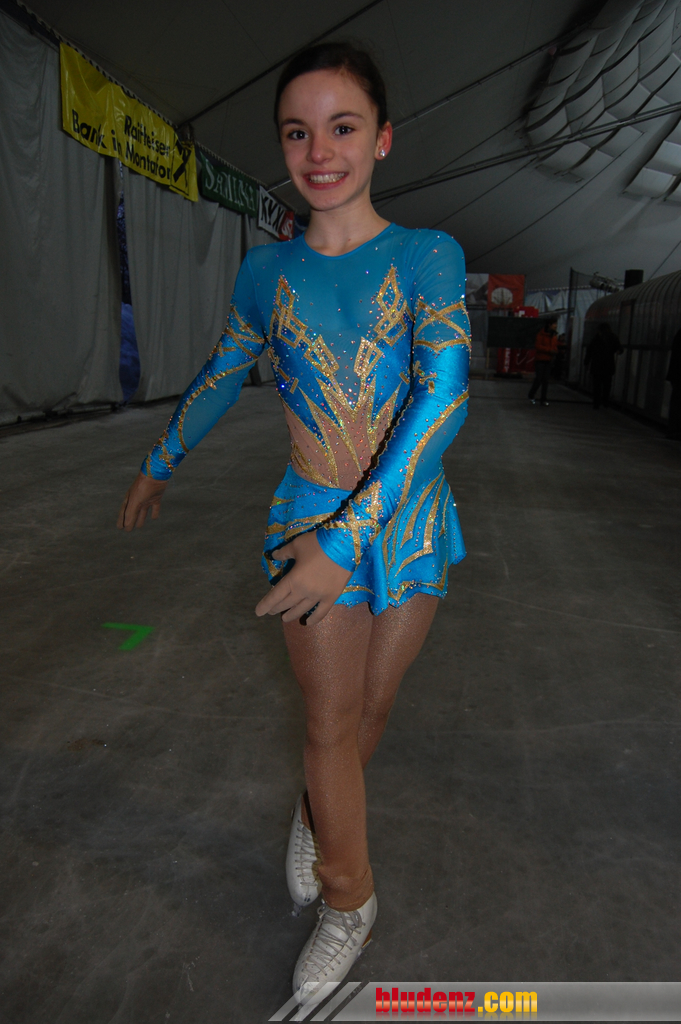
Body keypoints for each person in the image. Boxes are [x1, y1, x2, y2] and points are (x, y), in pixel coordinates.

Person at [116, 42, 470, 1012]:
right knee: (326, 721)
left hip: (408, 520)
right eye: (297, 132)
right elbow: (223, 372)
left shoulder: (427, 255)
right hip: (311, 525)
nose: (320, 152)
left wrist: (354, 540)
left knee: (371, 709)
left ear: (383, 138)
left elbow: (445, 393)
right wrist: (158, 462)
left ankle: (319, 816)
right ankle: (350, 900)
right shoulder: (264, 270)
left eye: (342, 127)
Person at [584, 322, 622, 409]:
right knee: (607, 385)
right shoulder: (613, 337)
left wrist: (586, 362)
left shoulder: (596, 338)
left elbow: (589, 351)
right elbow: (619, 348)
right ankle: (605, 402)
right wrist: (618, 351)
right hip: (608, 365)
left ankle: (596, 403)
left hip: (597, 365)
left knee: (597, 385)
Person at [528, 319, 561, 405]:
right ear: (549, 325)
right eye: (554, 324)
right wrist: (549, 350)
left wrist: (555, 351)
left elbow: (555, 346)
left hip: (549, 360)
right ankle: (532, 394)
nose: (556, 326)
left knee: (545, 380)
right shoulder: (541, 334)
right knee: (539, 379)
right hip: (540, 360)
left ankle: (543, 399)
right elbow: (538, 346)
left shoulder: (554, 336)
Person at [665, 327, 681, 439]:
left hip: (676, 375)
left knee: (676, 402)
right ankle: (675, 430)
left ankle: (674, 430)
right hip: (678, 375)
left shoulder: (679, 335)